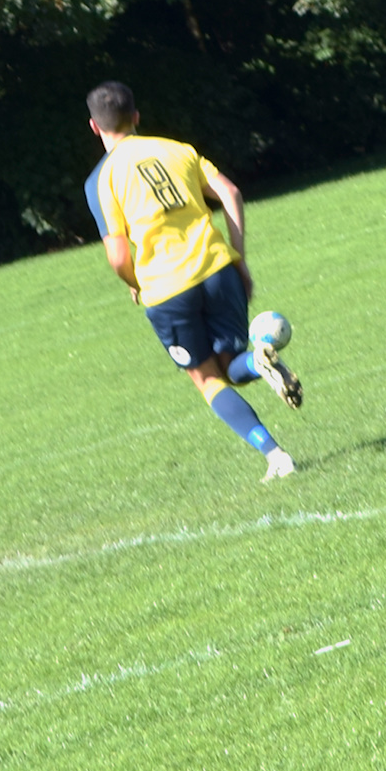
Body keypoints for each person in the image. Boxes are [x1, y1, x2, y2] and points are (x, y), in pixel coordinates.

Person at [82, 82, 301, 480]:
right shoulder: (176, 148)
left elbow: (118, 257)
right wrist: (238, 257)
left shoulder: (102, 179)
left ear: (95, 127)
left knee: (207, 379)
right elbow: (230, 193)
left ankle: (276, 456)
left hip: (167, 289)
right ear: (136, 117)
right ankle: (259, 360)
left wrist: (135, 283)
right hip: (218, 269)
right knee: (232, 365)